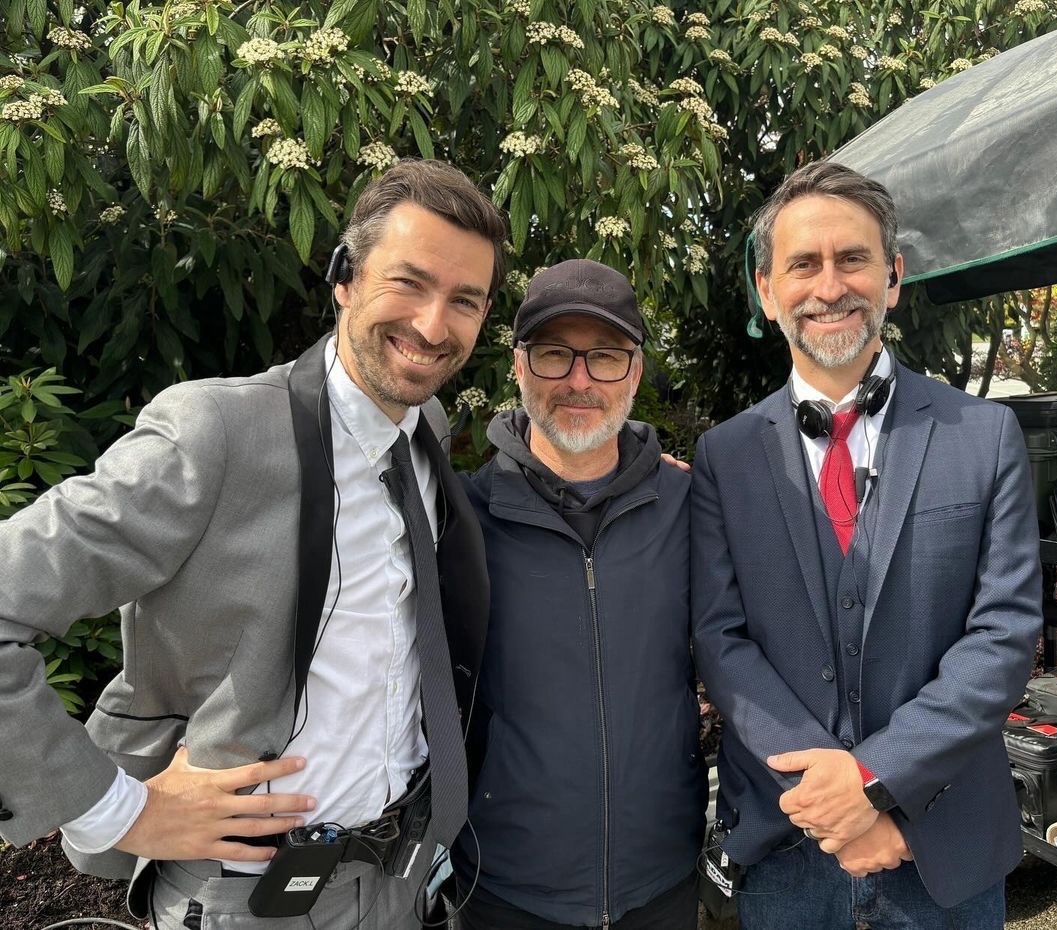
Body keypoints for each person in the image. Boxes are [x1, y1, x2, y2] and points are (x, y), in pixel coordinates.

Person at [0, 159, 505, 929]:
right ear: (344, 278)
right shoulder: (216, 436)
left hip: (398, 887)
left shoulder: (424, 431)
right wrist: (114, 811)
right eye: (409, 283)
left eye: (463, 300)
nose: (434, 327)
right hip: (245, 899)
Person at [691, 161, 1042, 928]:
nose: (829, 286)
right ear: (766, 290)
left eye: (852, 258)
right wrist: (828, 797)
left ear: (893, 277)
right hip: (788, 845)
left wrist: (876, 777)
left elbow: (1005, 635)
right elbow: (721, 639)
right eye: (803, 264)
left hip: (939, 841)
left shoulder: (985, 436)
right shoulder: (724, 455)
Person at [450, 260, 707, 930]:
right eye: (554, 353)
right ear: (518, 365)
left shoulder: (692, 505)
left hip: (661, 881)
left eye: (606, 357)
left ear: (636, 372)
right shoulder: (461, 519)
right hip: (507, 889)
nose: (580, 380)